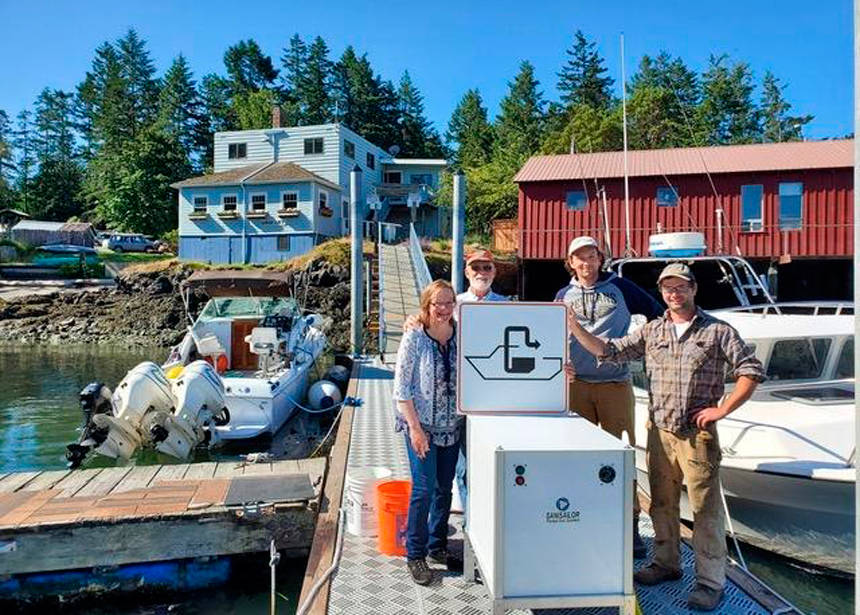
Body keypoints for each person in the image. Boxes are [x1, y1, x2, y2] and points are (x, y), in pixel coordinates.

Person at [566, 262, 765, 612]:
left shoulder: (718, 332)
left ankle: (710, 581)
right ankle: (666, 563)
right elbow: (608, 351)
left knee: (705, 511)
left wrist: (722, 410)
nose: (674, 294)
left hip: (697, 437)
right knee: (661, 503)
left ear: (693, 289)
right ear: (661, 292)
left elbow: (750, 370)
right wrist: (573, 326)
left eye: (681, 287)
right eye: (668, 288)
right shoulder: (653, 331)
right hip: (658, 433)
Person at [555, 236, 663, 559]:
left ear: (600, 258)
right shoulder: (563, 295)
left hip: (615, 383)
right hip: (577, 386)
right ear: (570, 263)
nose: (586, 263)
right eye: (579, 258)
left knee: (622, 456)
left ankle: (630, 526)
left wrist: (645, 347)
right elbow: (550, 334)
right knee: (580, 458)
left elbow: (656, 313)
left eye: (591, 256)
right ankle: (586, 520)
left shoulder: (622, 288)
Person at [404, 248, 509, 535]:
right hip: (452, 413)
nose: (481, 272)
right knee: (456, 477)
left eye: (487, 267)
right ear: (466, 272)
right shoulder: (454, 303)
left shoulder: (507, 305)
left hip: (489, 405)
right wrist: (412, 322)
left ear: (494, 271)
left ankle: (480, 534)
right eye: (476, 267)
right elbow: (425, 321)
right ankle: (463, 533)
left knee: (486, 472)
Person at [393, 279, 462, 585]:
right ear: (427, 306)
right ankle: (415, 554)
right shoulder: (414, 337)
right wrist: (415, 429)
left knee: (444, 489)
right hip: (421, 427)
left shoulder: (462, 335)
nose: (444, 309)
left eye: (449, 302)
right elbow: (401, 388)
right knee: (422, 489)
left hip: (452, 427)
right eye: (438, 303)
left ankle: (438, 546)